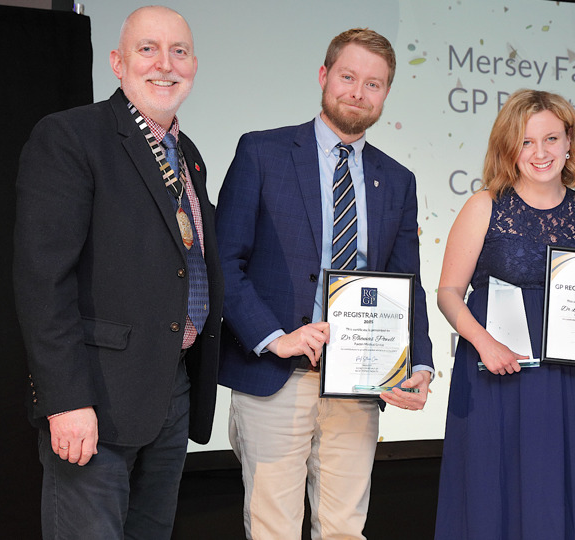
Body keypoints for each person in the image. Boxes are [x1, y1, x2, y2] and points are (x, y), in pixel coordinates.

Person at [215, 28, 433, 539]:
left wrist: (417, 361)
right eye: (349, 77)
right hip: (275, 376)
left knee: (344, 531)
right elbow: (224, 260)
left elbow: (407, 282)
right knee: (274, 529)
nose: (358, 92)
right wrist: (275, 337)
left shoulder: (397, 179)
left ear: (385, 94)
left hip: (356, 385)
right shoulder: (261, 153)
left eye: (374, 84)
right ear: (324, 76)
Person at [12, 6, 221, 538]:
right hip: (96, 402)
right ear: (117, 62)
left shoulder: (187, 155)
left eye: (178, 52)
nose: (164, 64)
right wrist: (65, 401)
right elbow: (43, 282)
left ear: (194, 65)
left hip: (170, 394)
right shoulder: (71, 137)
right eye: (147, 49)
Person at [434, 89, 575, 540]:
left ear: (570, 142)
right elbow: (448, 293)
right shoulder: (484, 206)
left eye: (552, 138)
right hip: (493, 372)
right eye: (527, 141)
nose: (541, 152)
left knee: (559, 494)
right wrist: (483, 341)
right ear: (508, 148)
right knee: (489, 492)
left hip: (569, 384)